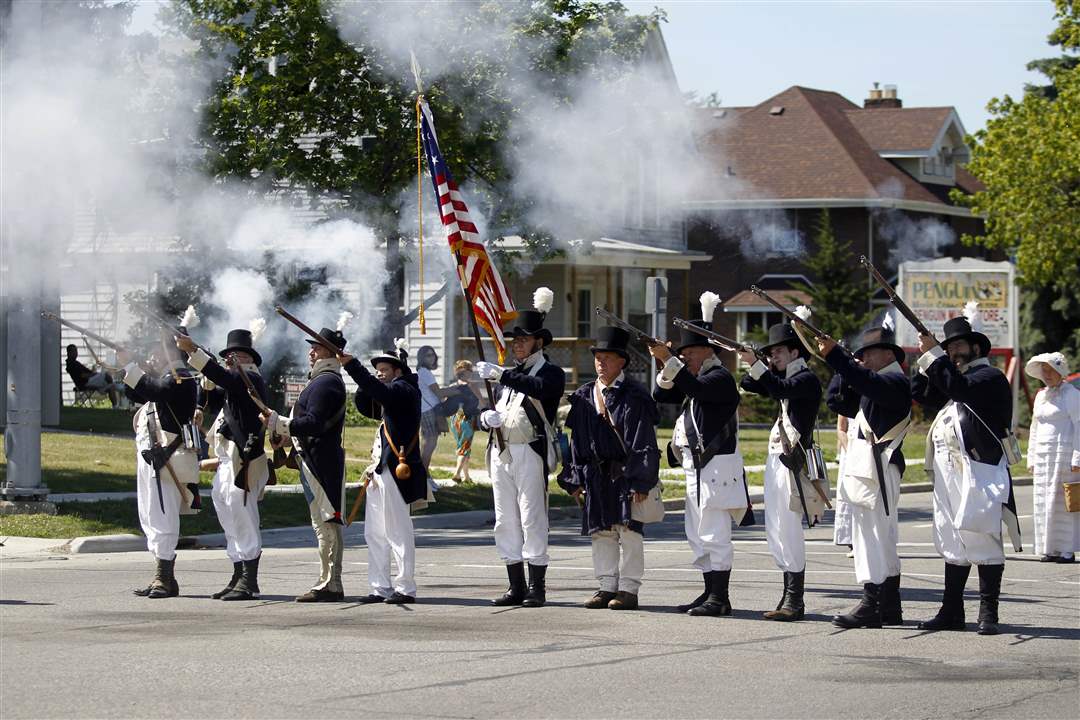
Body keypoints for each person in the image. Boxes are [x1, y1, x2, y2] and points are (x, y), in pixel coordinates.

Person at [914, 311, 1022, 635]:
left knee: (983, 536)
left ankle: (989, 612)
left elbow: (959, 388)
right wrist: (925, 357)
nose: (953, 352)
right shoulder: (952, 377)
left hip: (979, 470)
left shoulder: (987, 378)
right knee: (953, 539)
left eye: (959, 345)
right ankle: (951, 611)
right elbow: (921, 393)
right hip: (948, 472)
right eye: (949, 348)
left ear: (976, 348)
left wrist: (936, 357)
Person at [651, 292, 747, 617]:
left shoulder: (719, 377)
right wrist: (665, 362)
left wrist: (670, 361)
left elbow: (697, 390)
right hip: (697, 468)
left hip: (717, 468)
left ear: (707, 351)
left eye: (690, 352)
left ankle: (720, 598)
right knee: (698, 534)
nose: (686, 357)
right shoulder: (696, 378)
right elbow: (659, 395)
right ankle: (710, 593)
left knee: (715, 534)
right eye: (683, 353)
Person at [475, 287, 566, 608]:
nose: (517, 345)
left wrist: (502, 374)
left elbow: (539, 389)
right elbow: (496, 408)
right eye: (515, 341)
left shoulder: (551, 373)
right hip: (502, 452)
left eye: (523, 340)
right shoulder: (511, 375)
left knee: (532, 517)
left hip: (531, 450)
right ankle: (515, 585)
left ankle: (536, 588)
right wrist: (485, 419)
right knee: (505, 519)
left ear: (538, 343)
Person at [818, 320, 911, 629]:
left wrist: (839, 358)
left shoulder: (895, 382)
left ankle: (871, 603)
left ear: (887, 355)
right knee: (874, 538)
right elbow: (838, 401)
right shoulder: (872, 382)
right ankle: (889, 606)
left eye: (868, 354)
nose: (864, 359)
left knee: (873, 538)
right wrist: (842, 366)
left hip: (880, 469)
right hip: (865, 470)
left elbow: (866, 382)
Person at [559, 326, 660, 610]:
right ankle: (606, 586)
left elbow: (644, 440)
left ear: (621, 361)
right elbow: (575, 442)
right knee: (601, 531)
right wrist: (574, 476)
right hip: (595, 475)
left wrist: (641, 481)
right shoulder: (583, 396)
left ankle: (628, 589)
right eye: (598, 357)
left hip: (626, 473)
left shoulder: (635, 395)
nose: (601, 363)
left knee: (629, 531)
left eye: (607, 357)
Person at [738, 321, 823, 622]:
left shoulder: (806, 379)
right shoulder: (784, 376)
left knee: (788, 529)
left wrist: (758, 366)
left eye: (777, 352)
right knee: (774, 528)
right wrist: (756, 364)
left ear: (794, 351)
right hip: (777, 459)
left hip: (793, 461)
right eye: (770, 353)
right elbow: (751, 385)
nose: (773, 357)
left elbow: (779, 389)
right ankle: (787, 595)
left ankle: (795, 601)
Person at [178, 328, 270, 601]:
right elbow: (212, 392)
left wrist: (193, 352)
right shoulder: (234, 381)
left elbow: (222, 377)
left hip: (243, 459)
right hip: (227, 460)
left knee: (244, 518)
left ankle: (249, 579)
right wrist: (201, 395)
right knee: (228, 515)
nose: (231, 358)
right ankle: (238, 572)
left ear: (248, 358)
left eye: (236, 354)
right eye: (229, 355)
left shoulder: (249, 378)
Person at [265, 328, 349, 602]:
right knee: (323, 523)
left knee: (327, 522)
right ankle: (330, 582)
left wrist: (282, 424)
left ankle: (330, 584)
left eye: (317, 348)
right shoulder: (324, 381)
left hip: (321, 461)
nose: (311, 352)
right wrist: (284, 433)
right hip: (315, 459)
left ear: (331, 354)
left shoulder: (326, 382)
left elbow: (314, 424)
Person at [343, 341, 427, 604]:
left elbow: (379, 391)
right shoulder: (391, 392)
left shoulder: (405, 390)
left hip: (397, 470)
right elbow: (365, 401)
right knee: (375, 533)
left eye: (384, 369)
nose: (379, 373)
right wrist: (361, 375)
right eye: (377, 369)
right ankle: (380, 586)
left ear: (398, 371)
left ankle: (405, 587)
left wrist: (353, 365)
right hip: (381, 470)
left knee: (397, 531)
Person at [120, 336, 199, 598]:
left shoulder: (181, 376)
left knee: (163, 517)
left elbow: (156, 391)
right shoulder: (167, 376)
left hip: (169, 460)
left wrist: (132, 366)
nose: (152, 354)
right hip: (155, 459)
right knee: (151, 516)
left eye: (156, 348)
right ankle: (163, 576)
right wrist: (128, 365)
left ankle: (163, 577)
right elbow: (135, 391)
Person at [1026, 352, 1080, 563]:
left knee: (1064, 503)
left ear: (1060, 371)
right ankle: (1049, 548)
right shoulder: (1041, 395)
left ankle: (1067, 550)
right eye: (1044, 370)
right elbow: (1034, 427)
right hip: (1043, 457)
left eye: (1051, 369)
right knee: (1044, 501)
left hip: (1064, 455)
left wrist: (1077, 457)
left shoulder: (1073, 395)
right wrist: (1031, 457)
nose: (1047, 374)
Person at [445, 360, 483, 483]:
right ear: (467, 371)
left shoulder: (453, 386)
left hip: (455, 419)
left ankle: (466, 476)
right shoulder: (472, 386)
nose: (471, 372)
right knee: (464, 447)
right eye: (470, 369)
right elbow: (481, 401)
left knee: (463, 446)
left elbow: (446, 402)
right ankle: (456, 474)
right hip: (467, 419)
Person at [415, 346, 444, 471]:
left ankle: (424, 474)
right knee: (429, 444)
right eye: (428, 355)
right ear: (421, 357)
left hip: (427, 409)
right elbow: (438, 392)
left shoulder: (424, 371)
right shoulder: (424, 372)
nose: (431, 358)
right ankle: (423, 474)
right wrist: (458, 391)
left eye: (432, 355)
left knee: (428, 443)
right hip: (428, 410)